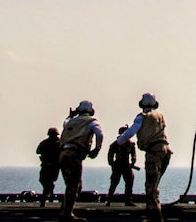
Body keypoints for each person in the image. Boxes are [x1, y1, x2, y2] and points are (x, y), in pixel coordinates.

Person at [116, 93, 171, 222]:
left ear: (142, 104)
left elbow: (132, 131)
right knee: (155, 183)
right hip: (165, 150)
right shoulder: (160, 116)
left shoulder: (142, 117)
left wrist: (119, 140)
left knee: (150, 185)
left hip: (153, 152)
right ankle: (153, 210)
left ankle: (155, 216)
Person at [58, 100, 103, 222]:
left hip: (63, 154)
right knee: (74, 185)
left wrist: (71, 115)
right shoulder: (92, 121)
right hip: (75, 154)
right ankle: (67, 215)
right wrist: (97, 149)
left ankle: (64, 210)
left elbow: (65, 123)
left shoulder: (71, 121)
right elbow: (100, 134)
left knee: (74, 185)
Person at [105, 125, 137, 206]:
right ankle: (109, 200)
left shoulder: (130, 144)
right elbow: (110, 154)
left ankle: (128, 200)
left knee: (129, 182)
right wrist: (112, 164)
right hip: (118, 165)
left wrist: (133, 162)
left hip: (126, 165)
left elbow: (133, 154)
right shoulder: (116, 144)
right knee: (114, 183)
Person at [35, 127, 61, 207]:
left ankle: (43, 201)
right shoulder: (45, 143)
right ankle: (49, 190)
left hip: (54, 166)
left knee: (48, 183)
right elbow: (37, 151)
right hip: (45, 165)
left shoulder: (60, 143)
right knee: (42, 180)